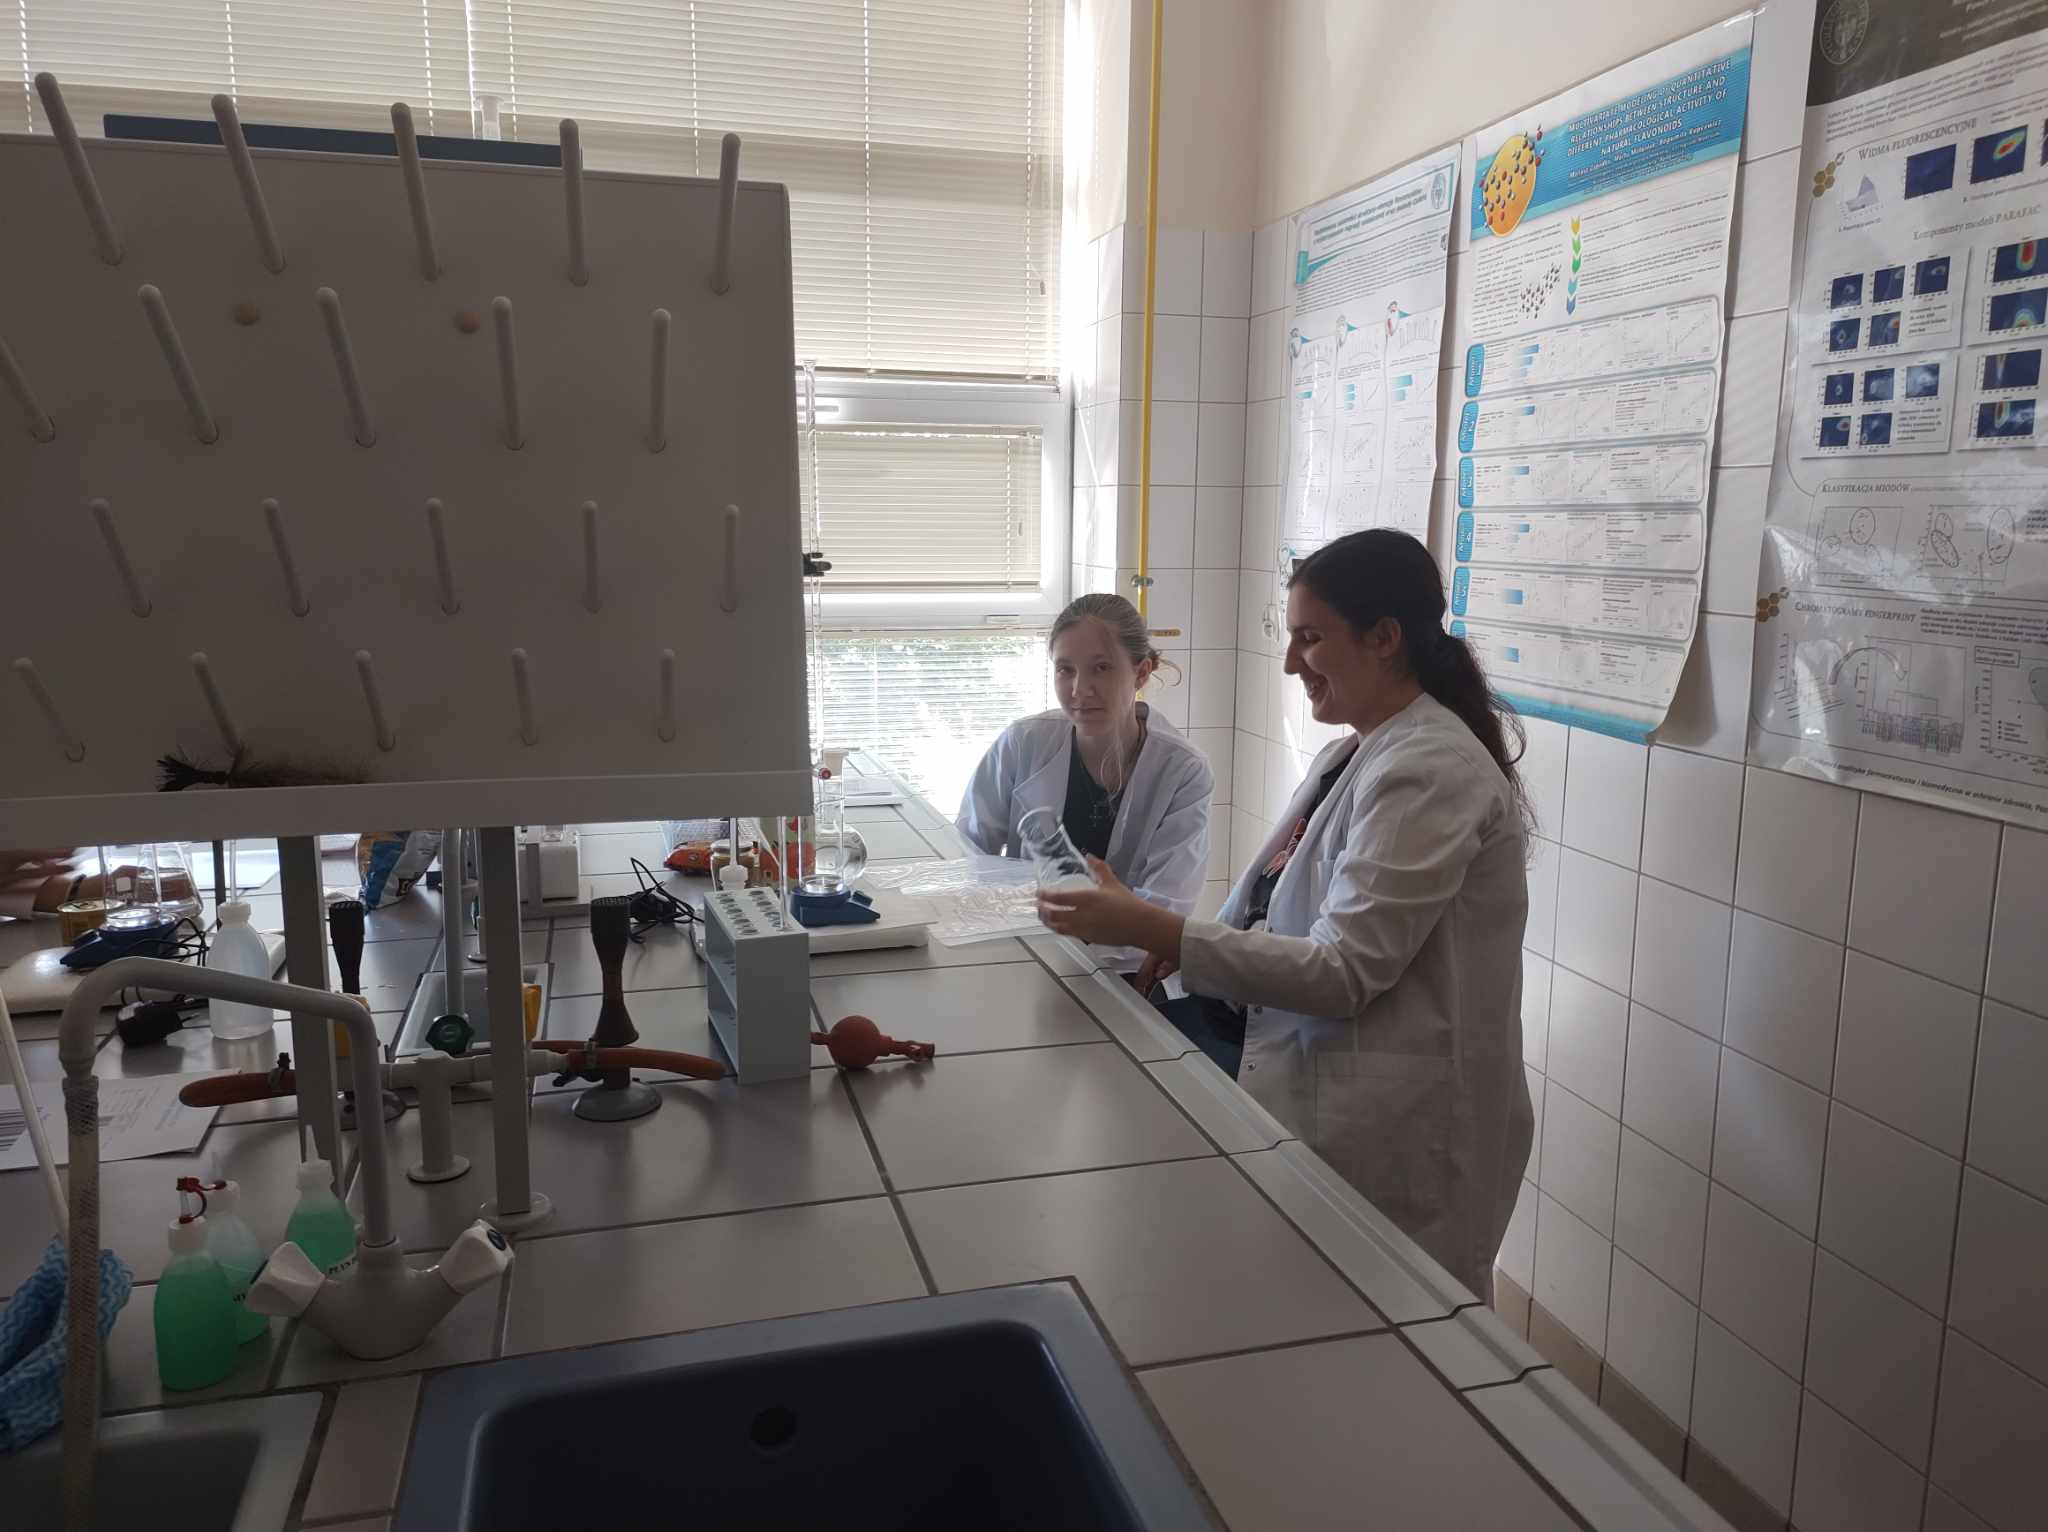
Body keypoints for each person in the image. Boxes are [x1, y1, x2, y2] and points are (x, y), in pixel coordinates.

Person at [1037, 530, 1533, 1299]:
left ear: (1385, 638)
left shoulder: (1430, 769)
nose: (1291, 663)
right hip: (1309, 1078)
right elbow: (1274, 909)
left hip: (1396, 1123)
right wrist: (1175, 940)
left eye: (1310, 638)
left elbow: (1343, 971)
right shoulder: (1354, 755)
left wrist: (1148, 926)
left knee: (1401, 1334)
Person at [957, 593, 1213, 922]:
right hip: (1024, 938)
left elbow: (1166, 906)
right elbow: (967, 852)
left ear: (1141, 673)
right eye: (1065, 670)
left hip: (1130, 950)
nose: (1080, 689)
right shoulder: (1022, 743)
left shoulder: (1183, 771)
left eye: (1101, 668)